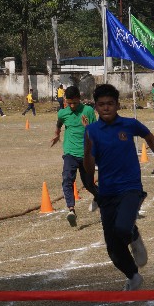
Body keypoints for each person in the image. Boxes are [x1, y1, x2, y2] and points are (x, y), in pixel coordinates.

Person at [84, 83, 154, 291]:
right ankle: (133, 276)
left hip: (130, 187)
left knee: (123, 227)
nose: (106, 108)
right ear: (96, 107)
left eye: (110, 104)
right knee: (113, 247)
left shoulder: (129, 124)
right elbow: (88, 165)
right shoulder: (91, 130)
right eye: (101, 104)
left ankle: (134, 235)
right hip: (107, 191)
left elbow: (149, 137)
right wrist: (87, 155)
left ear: (117, 105)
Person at [51, 86, 99, 227]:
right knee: (67, 179)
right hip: (70, 152)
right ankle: (71, 210)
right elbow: (59, 123)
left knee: (89, 184)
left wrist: (87, 127)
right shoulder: (62, 113)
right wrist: (57, 134)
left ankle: (103, 198)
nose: (72, 106)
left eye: (75, 103)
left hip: (86, 154)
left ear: (80, 99)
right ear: (65, 101)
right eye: (69, 103)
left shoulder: (88, 111)